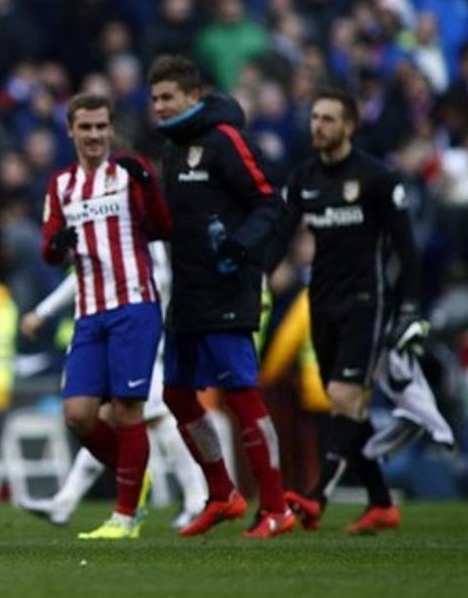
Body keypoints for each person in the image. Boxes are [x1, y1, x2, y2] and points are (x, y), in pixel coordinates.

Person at [148, 54, 294, 538]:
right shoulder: (171, 149)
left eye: (168, 97)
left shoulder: (226, 139)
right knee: (175, 393)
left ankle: (275, 506)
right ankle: (222, 493)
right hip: (187, 291)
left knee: (241, 394)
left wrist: (240, 247)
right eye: (154, 99)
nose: (159, 106)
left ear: (194, 96)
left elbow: (270, 202)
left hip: (229, 289)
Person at [267, 88, 418, 534]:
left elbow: (407, 249)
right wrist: (262, 276)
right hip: (321, 302)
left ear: (349, 126)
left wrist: (409, 309)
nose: (318, 126)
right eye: (314, 117)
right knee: (346, 405)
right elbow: (280, 234)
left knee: (345, 396)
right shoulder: (303, 178)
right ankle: (381, 502)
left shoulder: (376, 179)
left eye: (328, 119)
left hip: (366, 303)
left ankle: (317, 497)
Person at [37, 94, 170, 539]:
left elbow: (162, 229)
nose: (94, 135)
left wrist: (150, 186)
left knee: (128, 410)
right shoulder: (61, 185)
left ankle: (125, 516)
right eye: (85, 127)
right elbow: (49, 250)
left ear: (111, 130)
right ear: (70, 131)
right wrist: (57, 244)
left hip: (134, 304)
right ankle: (135, 477)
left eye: (101, 127)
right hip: (89, 311)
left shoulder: (130, 174)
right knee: (77, 413)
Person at [17, 242, 208, 530]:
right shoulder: (109, 236)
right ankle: (67, 501)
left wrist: (43, 311)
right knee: (105, 419)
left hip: (142, 334)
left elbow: (160, 277)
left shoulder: (143, 233)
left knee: (157, 418)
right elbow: (86, 276)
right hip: (119, 335)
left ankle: (196, 499)